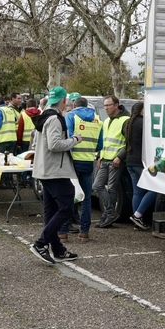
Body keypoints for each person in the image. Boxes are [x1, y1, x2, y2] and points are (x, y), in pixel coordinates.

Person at [28, 86, 82, 265]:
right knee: (66, 208)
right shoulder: (55, 119)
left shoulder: (44, 117)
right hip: (55, 170)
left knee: (50, 211)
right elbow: (54, 144)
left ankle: (58, 250)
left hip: (45, 169)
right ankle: (41, 243)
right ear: (64, 101)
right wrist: (74, 140)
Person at [123, 98, 165, 238]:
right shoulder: (144, 123)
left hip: (129, 160)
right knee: (155, 189)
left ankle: (137, 220)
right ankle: (138, 215)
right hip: (141, 161)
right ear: (142, 110)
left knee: (137, 192)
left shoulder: (127, 123)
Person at [65, 96, 101, 241]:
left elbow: (67, 138)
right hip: (88, 161)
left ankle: (63, 232)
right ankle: (84, 231)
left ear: (74, 105)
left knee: (67, 195)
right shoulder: (97, 119)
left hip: (72, 161)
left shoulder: (70, 115)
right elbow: (100, 145)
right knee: (86, 198)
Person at [93, 95, 129, 228]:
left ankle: (107, 217)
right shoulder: (107, 121)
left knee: (113, 189)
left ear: (116, 105)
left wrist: (120, 157)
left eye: (108, 105)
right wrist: (99, 157)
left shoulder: (125, 120)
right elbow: (104, 141)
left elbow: (128, 143)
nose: (106, 108)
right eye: (105, 105)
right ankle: (111, 212)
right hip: (105, 159)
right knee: (97, 186)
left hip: (116, 160)